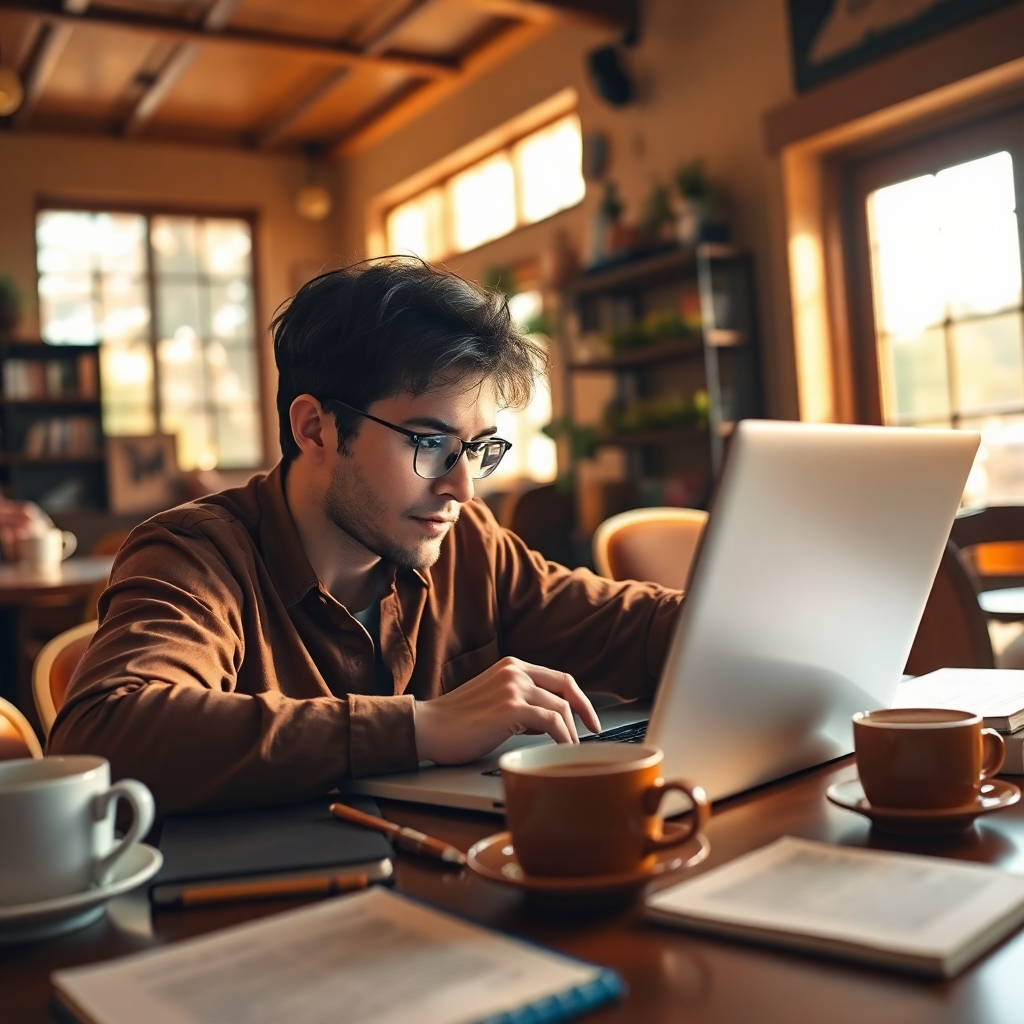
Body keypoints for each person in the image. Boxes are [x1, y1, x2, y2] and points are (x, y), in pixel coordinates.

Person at [49, 259, 683, 813]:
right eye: (430, 442)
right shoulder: (197, 556)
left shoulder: (466, 542)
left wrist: (753, 623)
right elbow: (106, 729)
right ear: (316, 429)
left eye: (477, 448)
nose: (462, 489)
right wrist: (422, 726)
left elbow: (630, 627)